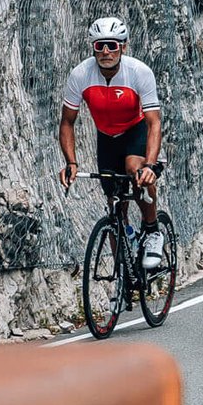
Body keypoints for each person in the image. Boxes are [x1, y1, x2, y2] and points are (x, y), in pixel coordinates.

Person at [59, 17, 167, 269]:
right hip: (106, 137)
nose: (106, 51)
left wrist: (150, 165)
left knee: (135, 170)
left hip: (135, 130)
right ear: (93, 48)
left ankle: (152, 231)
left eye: (112, 45)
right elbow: (66, 122)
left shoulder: (139, 72)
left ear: (123, 47)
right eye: (100, 46)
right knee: (114, 203)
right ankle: (123, 274)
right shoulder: (80, 75)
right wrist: (71, 162)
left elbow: (154, 123)